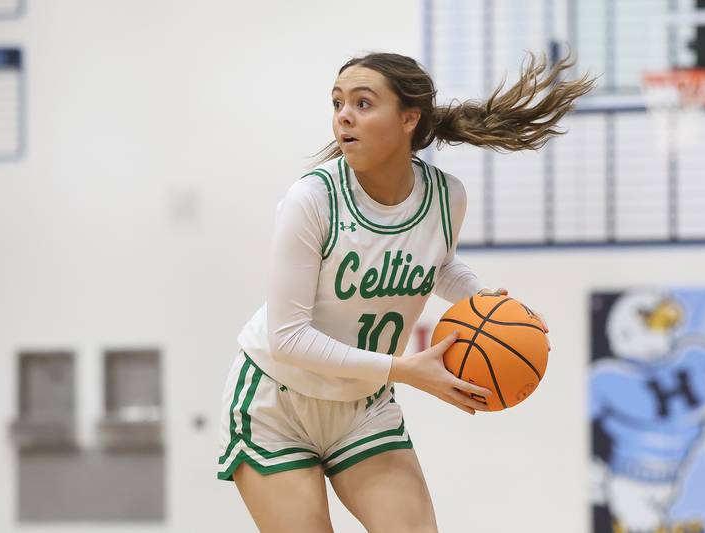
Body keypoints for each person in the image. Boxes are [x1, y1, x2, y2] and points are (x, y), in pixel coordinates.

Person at [218, 52, 592, 532]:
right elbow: (286, 337)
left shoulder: (446, 196)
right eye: (337, 103)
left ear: (409, 118)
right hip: (277, 401)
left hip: (362, 405)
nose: (344, 116)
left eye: (362, 103)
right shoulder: (312, 199)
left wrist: (491, 306)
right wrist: (404, 370)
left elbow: (438, 264)